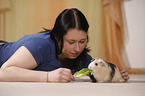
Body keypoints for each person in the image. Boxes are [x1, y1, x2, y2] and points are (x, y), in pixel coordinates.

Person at [0, 8, 129, 83]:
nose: (77, 49)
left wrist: (114, 74)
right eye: (71, 42)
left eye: (82, 41)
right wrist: (47, 77)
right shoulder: (39, 45)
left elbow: (97, 71)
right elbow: (3, 73)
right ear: (57, 37)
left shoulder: (82, 58)